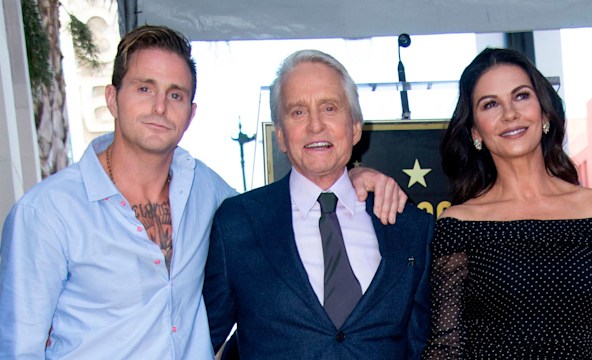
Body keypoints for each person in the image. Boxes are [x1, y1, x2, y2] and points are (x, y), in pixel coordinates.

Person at [0, 26, 406, 359]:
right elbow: (19, 350)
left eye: (175, 94)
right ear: (112, 98)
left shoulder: (207, 191)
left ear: (191, 112)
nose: (160, 107)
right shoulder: (46, 214)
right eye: (144, 88)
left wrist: (354, 177)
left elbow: (294, 205)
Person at [203, 49, 435, 359]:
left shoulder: (410, 227)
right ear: (281, 135)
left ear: (354, 127)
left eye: (329, 108)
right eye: (298, 111)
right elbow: (201, 341)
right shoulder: (236, 224)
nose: (316, 125)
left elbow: (425, 346)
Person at [421, 48, 592, 358]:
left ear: (544, 112)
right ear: (475, 132)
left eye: (521, 96)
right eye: (491, 104)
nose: (509, 113)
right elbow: (446, 347)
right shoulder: (460, 224)